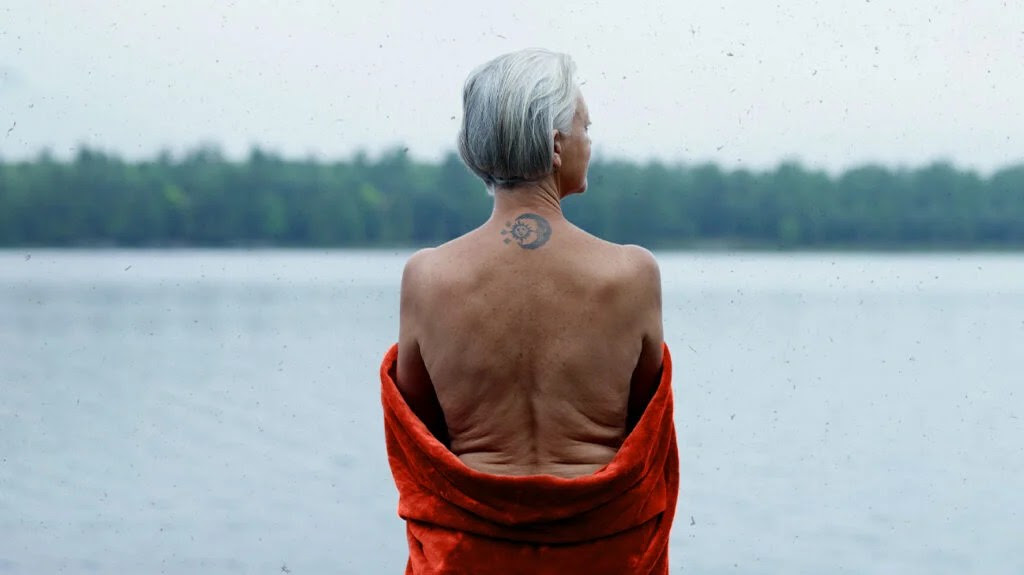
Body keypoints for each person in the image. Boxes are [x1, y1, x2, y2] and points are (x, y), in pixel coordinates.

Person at [381, 48, 677, 574]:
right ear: (557, 145)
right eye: (585, 126)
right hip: (602, 553)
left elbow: (422, 441)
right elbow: (644, 439)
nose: (591, 140)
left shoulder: (427, 278)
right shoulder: (632, 274)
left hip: (470, 555)